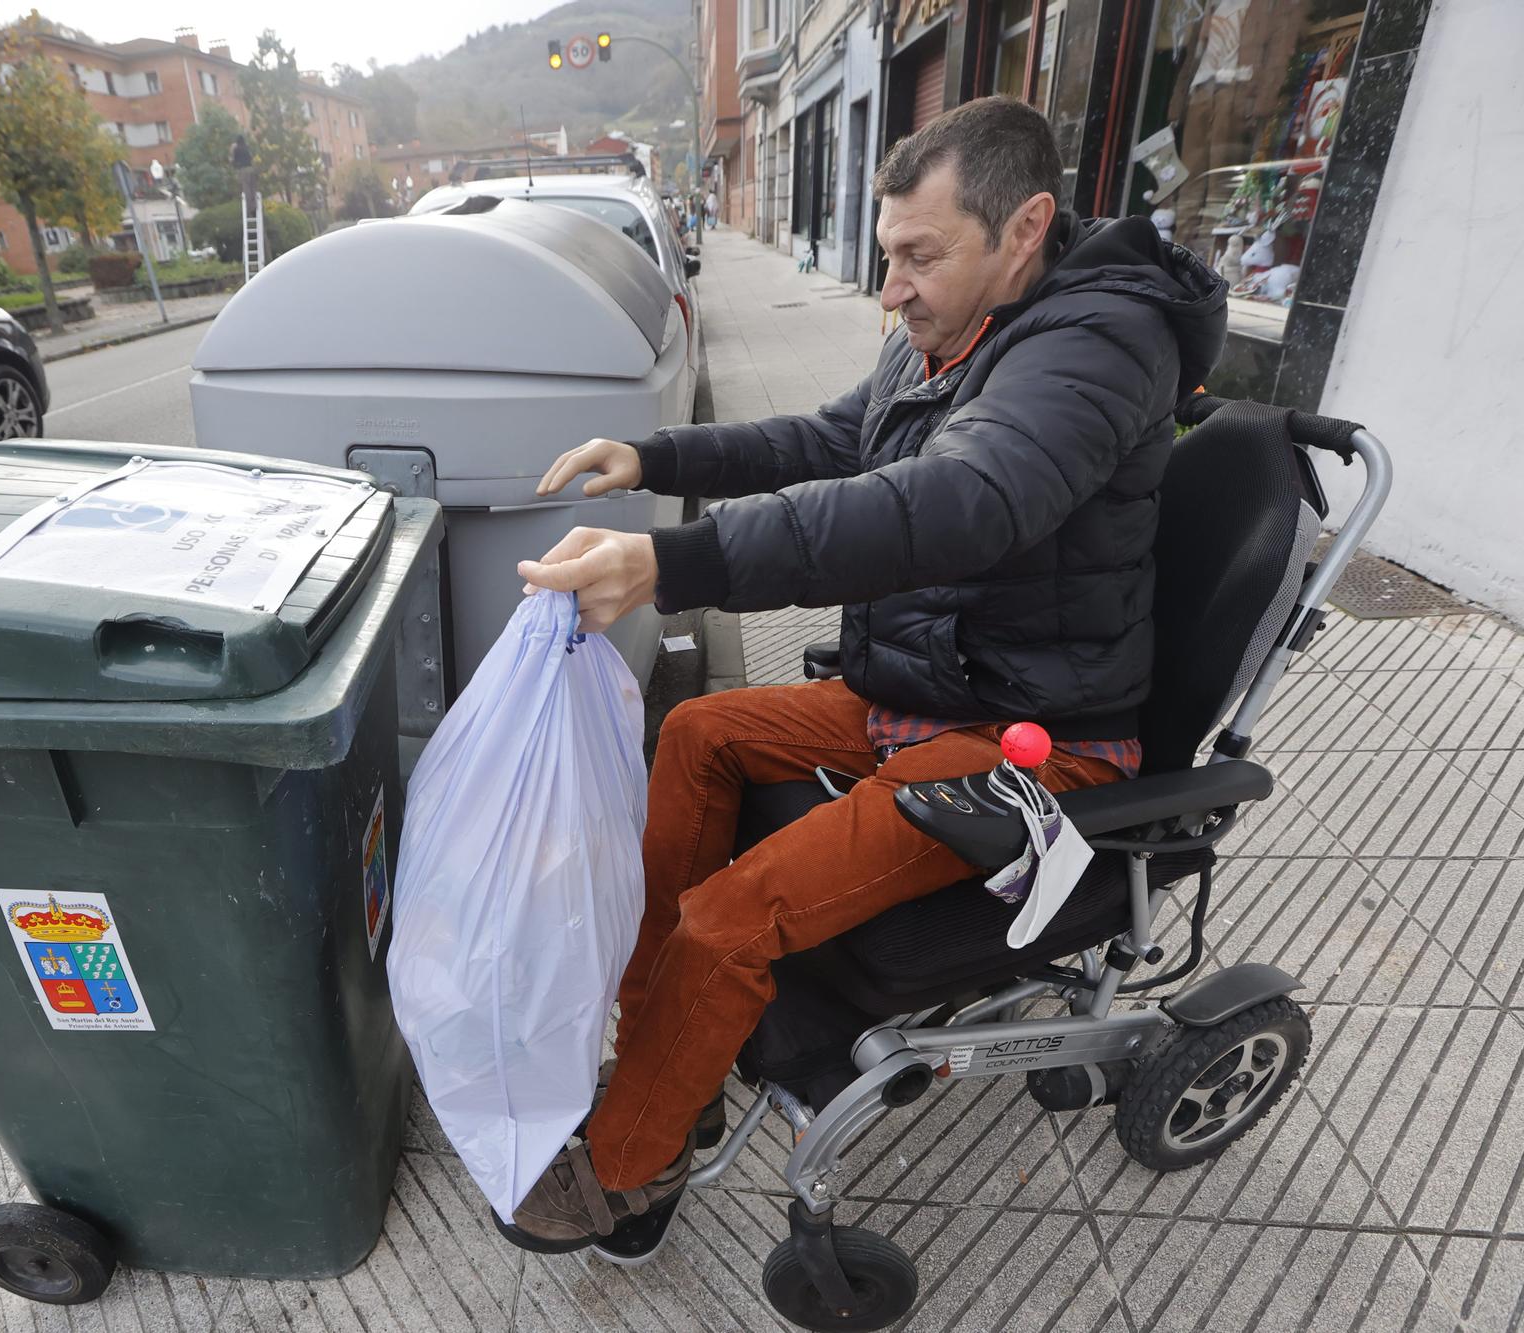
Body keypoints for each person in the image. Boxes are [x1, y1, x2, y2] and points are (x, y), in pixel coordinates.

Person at [496, 96, 1226, 1254]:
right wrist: (658, 458)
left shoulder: (1099, 347)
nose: (889, 289)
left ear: (1023, 226)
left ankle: (628, 1167)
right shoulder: (955, 326)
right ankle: (656, 1055)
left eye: (916, 256)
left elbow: (962, 503)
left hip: (1033, 739)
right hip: (927, 686)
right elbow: (834, 442)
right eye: (887, 257)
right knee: (698, 733)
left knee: (728, 917)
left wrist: (674, 562)